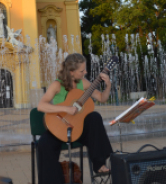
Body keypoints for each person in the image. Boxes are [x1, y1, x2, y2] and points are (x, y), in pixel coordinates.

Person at [37, 53, 113, 184]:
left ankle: (99, 164)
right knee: (43, 144)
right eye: (82, 70)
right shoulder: (57, 85)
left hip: (78, 129)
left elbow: (102, 98)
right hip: (60, 127)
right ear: (71, 72)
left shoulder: (83, 83)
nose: (85, 72)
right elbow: (41, 105)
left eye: (85, 69)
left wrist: (108, 86)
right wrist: (66, 109)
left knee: (95, 117)